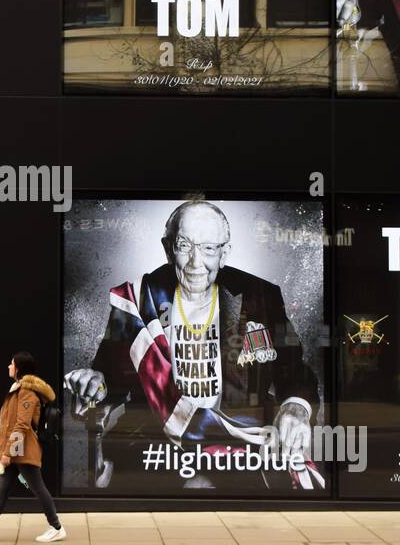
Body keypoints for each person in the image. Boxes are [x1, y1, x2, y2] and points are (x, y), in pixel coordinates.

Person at [64, 199, 323, 490]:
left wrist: (296, 407)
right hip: (159, 446)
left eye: (209, 248)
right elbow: (110, 376)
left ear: (225, 253)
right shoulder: (139, 299)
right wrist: (94, 381)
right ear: (167, 248)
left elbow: (296, 372)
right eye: (184, 245)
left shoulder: (260, 296)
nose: (195, 262)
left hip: (237, 444)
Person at [0, 352, 67, 543]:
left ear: (19, 368)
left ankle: (56, 527)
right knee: (2, 488)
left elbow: (22, 424)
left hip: (23, 450)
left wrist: (9, 452)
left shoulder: (26, 392)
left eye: (11, 364)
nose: (8, 367)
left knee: (38, 488)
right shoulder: (19, 389)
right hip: (18, 448)